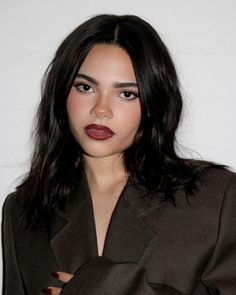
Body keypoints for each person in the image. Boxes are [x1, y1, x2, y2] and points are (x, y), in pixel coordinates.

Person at [2, 14, 236, 295]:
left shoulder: (217, 198)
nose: (101, 110)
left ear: (152, 104)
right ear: (62, 95)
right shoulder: (24, 211)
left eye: (127, 94)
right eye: (85, 87)